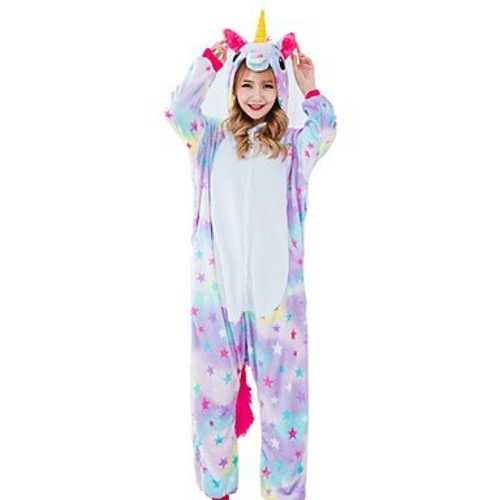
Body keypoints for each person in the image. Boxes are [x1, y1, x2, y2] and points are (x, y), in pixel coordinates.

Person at [164, 10, 337, 500]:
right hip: (217, 301)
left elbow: (326, 128)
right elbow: (178, 111)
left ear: (278, 90)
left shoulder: (292, 148)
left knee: (286, 407)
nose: (256, 95)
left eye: (266, 86)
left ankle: (282, 492)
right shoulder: (210, 140)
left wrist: (309, 86)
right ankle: (217, 488)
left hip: (277, 303)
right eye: (246, 85)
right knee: (212, 400)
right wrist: (207, 63)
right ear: (233, 88)